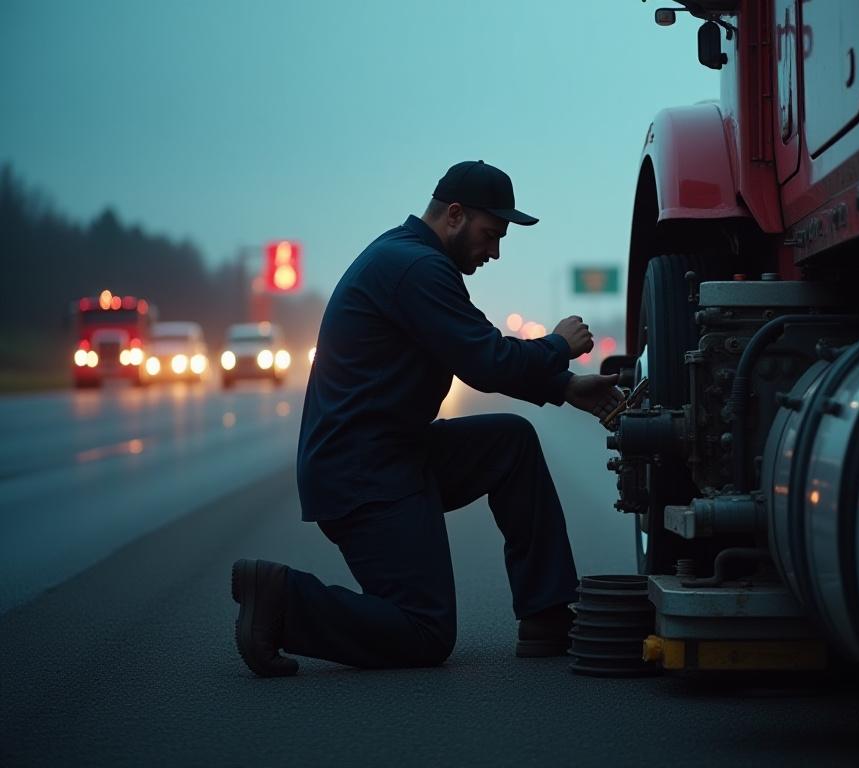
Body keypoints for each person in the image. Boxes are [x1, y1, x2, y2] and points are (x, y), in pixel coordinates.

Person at [231, 160, 623, 677]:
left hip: (394, 454)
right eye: (491, 234)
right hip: (363, 475)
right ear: (455, 216)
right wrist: (557, 347)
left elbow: (472, 350)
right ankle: (281, 598)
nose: (495, 252)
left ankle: (547, 617)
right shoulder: (416, 268)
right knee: (424, 632)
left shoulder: (412, 258)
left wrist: (565, 386)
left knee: (511, 442)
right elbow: (485, 362)